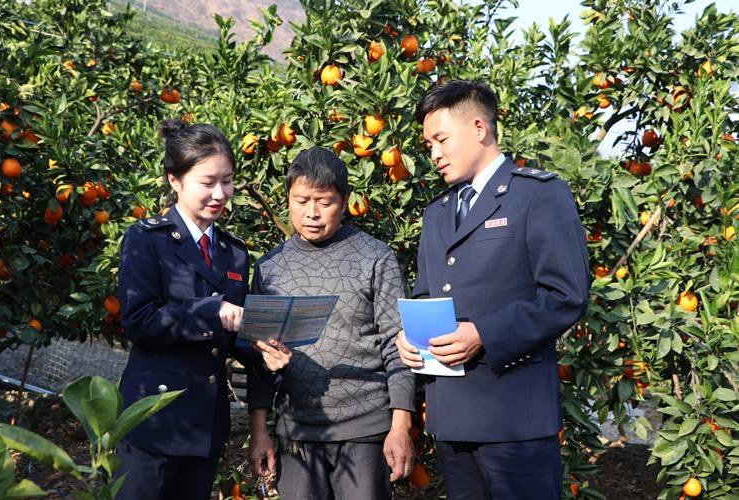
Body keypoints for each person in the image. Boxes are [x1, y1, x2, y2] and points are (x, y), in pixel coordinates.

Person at [395, 80, 590, 499]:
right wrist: (409, 337)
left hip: (513, 418)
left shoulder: (538, 195)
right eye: (429, 143)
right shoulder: (438, 213)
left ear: (479, 128)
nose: (434, 153)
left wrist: (484, 333)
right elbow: (429, 294)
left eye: (441, 139)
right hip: (452, 416)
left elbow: (565, 296)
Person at [115, 119, 292, 500]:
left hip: (205, 426)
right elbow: (139, 322)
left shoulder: (234, 252)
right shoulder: (147, 240)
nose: (219, 193)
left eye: (226, 181)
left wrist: (264, 351)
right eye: (207, 182)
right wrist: (209, 309)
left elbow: (233, 336)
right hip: (152, 422)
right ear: (175, 180)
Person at [246, 146, 416, 499]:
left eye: (324, 202)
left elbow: (397, 345)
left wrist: (401, 425)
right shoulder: (269, 267)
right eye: (301, 200)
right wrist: (260, 429)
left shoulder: (375, 258)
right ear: (288, 198)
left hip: (365, 430)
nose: (312, 213)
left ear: (345, 200)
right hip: (298, 431)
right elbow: (257, 358)